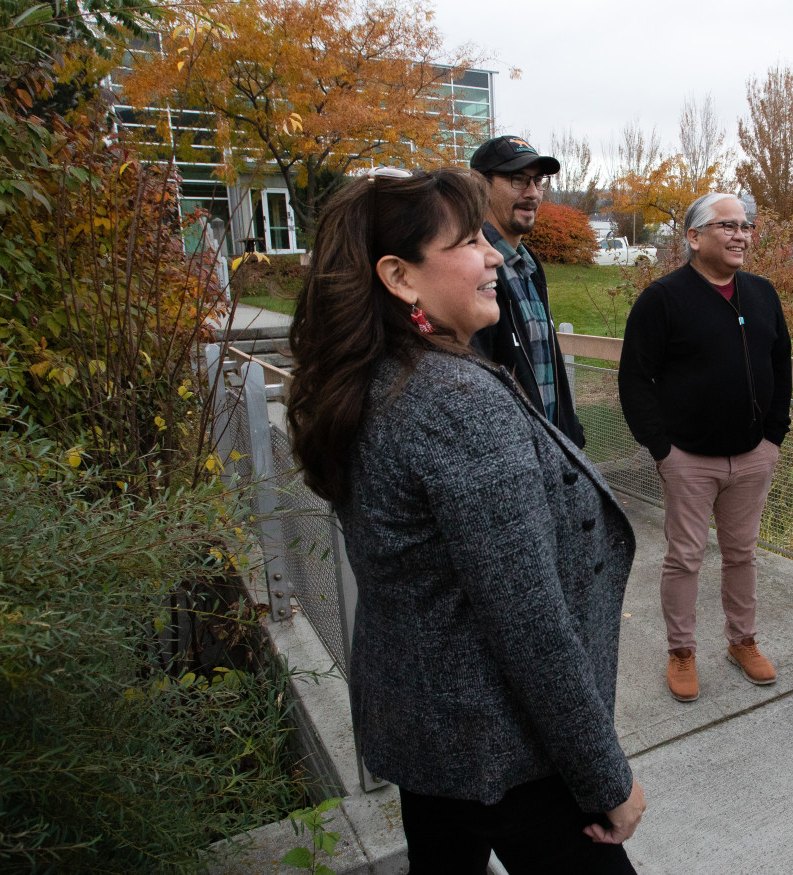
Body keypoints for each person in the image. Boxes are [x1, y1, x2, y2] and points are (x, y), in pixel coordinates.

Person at [284, 166, 645, 873]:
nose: (493, 255)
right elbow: (529, 623)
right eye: (467, 241)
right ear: (400, 276)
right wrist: (608, 780)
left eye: (487, 237)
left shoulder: (377, 375)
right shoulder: (454, 401)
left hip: (425, 727)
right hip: (504, 747)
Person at [618, 193, 792, 703]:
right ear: (693, 238)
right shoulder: (664, 298)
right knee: (685, 558)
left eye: (746, 226)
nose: (741, 235)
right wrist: (661, 447)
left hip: (752, 455)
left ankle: (742, 641)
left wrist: (773, 435)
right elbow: (634, 378)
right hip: (688, 458)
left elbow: (781, 365)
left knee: (742, 554)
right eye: (727, 226)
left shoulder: (762, 293)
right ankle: (682, 652)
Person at [468, 135, 584, 447]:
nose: (532, 193)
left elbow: (543, 361)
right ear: (481, 186)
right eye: (518, 179)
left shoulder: (530, 265)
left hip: (551, 450)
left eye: (538, 181)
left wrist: (570, 431)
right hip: (509, 458)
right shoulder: (471, 268)